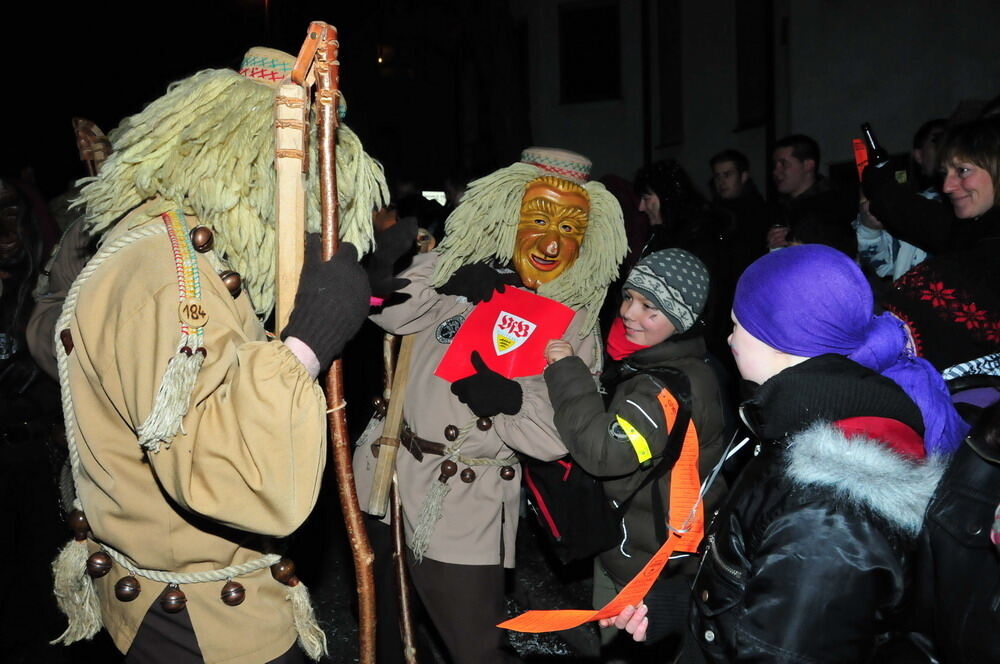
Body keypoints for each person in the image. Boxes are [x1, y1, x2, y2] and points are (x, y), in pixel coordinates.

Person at [49, 47, 392, 663]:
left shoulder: (189, 255)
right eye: (302, 180)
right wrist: (308, 341)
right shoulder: (171, 273)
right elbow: (238, 477)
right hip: (198, 624)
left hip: (213, 602)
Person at [603, 244, 968, 662]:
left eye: (739, 324)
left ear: (777, 336)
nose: (729, 337)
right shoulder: (803, 426)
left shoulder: (829, 509)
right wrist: (679, 608)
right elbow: (761, 580)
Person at [352, 147, 626, 663]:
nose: (551, 241)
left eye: (570, 228)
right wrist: (447, 277)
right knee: (389, 637)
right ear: (506, 215)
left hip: (461, 497)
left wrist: (511, 398)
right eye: (538, 219)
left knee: (476, 646)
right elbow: (388, 315)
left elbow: (556, 436)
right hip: (386, 473)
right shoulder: (463, 268)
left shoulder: (575, 319)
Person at [543, 248, 727, 661]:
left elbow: (604, 453)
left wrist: (566, 372)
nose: (629, 313)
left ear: (681, 319)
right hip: (666, 554)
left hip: (640, 563)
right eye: (629, 297)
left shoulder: (655, 390)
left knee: (623, 651)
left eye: (651, 308)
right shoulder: (698, 367)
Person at [873, 118, 1000, 377]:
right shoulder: (969, 232)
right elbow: (914, 215)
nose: (947, 186)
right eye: (945, 173)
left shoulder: (982, 250)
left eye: (963, 171)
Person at [769, 134, 857, 256]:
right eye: (775, 165)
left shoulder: (834, 206)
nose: (776, 172)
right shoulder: (778, 208)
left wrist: (793, 239)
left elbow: (840, 252)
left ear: (808, 165)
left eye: (783, 164)